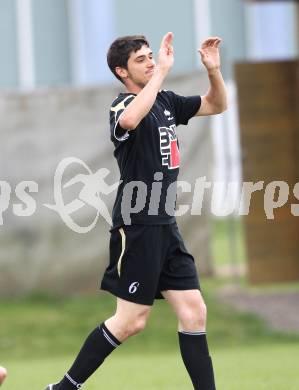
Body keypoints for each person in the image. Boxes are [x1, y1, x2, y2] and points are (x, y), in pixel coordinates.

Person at [45, 31, 227, 390]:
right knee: (131, 322)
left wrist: (213, 71)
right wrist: (160, 73)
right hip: (138, 223)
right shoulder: (120, 105)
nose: (150, 62)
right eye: (140, 59)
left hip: (165, 224)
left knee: (194, 312)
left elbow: (217, 105)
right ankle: (63, 388)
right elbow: (129, 120)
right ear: (121, 71)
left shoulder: (167, 103)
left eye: (150, 56)